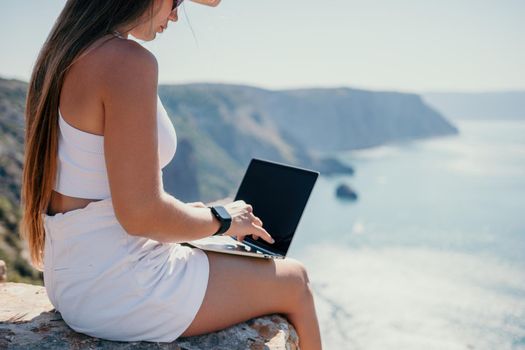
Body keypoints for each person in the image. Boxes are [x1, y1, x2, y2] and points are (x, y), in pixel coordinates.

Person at [20, 1, 322, 349]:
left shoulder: (67, 53)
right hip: (121, 287)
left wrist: (196, 216)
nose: (176, 15)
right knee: (296, 281)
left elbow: (98, 189)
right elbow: (141, 215)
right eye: (176, 2)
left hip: (75, 279)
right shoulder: (126, 61)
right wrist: (221, 219)